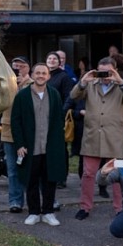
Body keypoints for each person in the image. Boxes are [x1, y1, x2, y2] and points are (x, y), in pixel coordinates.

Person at [71, 56, 123, 221]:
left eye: (108, 72)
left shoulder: (122, 86)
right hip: (92, 136)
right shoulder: (91, 84)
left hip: (115, 139)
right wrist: (83, 81)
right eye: (101, 72)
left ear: (114, 70)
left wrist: (120, 81)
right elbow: (74, 96)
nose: (104, 75)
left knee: (118, 174)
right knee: (88, 174)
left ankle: (120, 208)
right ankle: (85, 207)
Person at [11, 63, 65, 226]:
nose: (41, 75)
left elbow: (58, 120)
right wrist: (19, 144)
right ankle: (34, 212)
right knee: (31, 180)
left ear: (48, 76)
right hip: (30, 146)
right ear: (32, 75)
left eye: (44, 73)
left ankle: (48, 212)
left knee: (50, 181)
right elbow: (16, 121)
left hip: (50, 147)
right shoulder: (22, 96)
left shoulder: (54, 95)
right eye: (38, 73)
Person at [0, 55, 32, 213]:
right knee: (12, 170)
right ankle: (15, 201)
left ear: (28, 68)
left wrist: (24, 84)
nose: (18, 70)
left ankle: (36, 200)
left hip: (28, 134)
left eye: (22, 66)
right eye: (15, 67)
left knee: (32, 168)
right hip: (9, 131)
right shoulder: (5, 85)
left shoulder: (34, 84)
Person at [46, 51, 73, 189]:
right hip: (43, 117)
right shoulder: (43, 76)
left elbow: (70, 97)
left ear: (59, 62)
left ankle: (61, 177)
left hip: (58, 118)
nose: (51, 60)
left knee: (60, 149)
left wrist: (62, 112)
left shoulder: (64, 77)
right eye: (49, 58)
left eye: (54, 59)